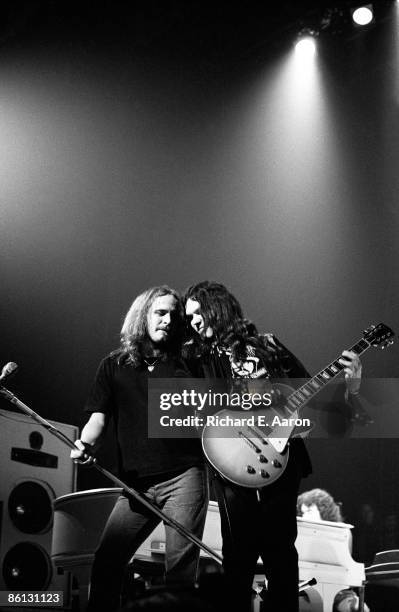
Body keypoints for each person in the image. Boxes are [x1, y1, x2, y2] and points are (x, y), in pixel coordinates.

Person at [183, 281, 362, 612]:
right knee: (238, 553)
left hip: (279, 455)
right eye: (188, 316)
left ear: (216, 308)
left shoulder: (266, 345)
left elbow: (311, 391)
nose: (193, 321)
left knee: (281, 550)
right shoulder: (195, 355)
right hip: (230, 458)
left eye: (198, 313)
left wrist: (351, 384)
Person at [71, 286, 208, 612]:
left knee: (179, 571)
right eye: (161, 313)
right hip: (135, 485)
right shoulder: (114, 365)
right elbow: (97, 419)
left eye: (174, 315)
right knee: (106, 561)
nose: (169, 320)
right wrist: (86, 443)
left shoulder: (188, 362)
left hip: (184, 477)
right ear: (142, 314)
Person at [297, 488, 370, 612]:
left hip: (337, 590)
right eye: (303, 513)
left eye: (309, 511)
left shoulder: (343, 533)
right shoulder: (298, 532)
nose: (305, 516)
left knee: (359, 608)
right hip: (303, 589)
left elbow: (345, 567)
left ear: (323, 510)